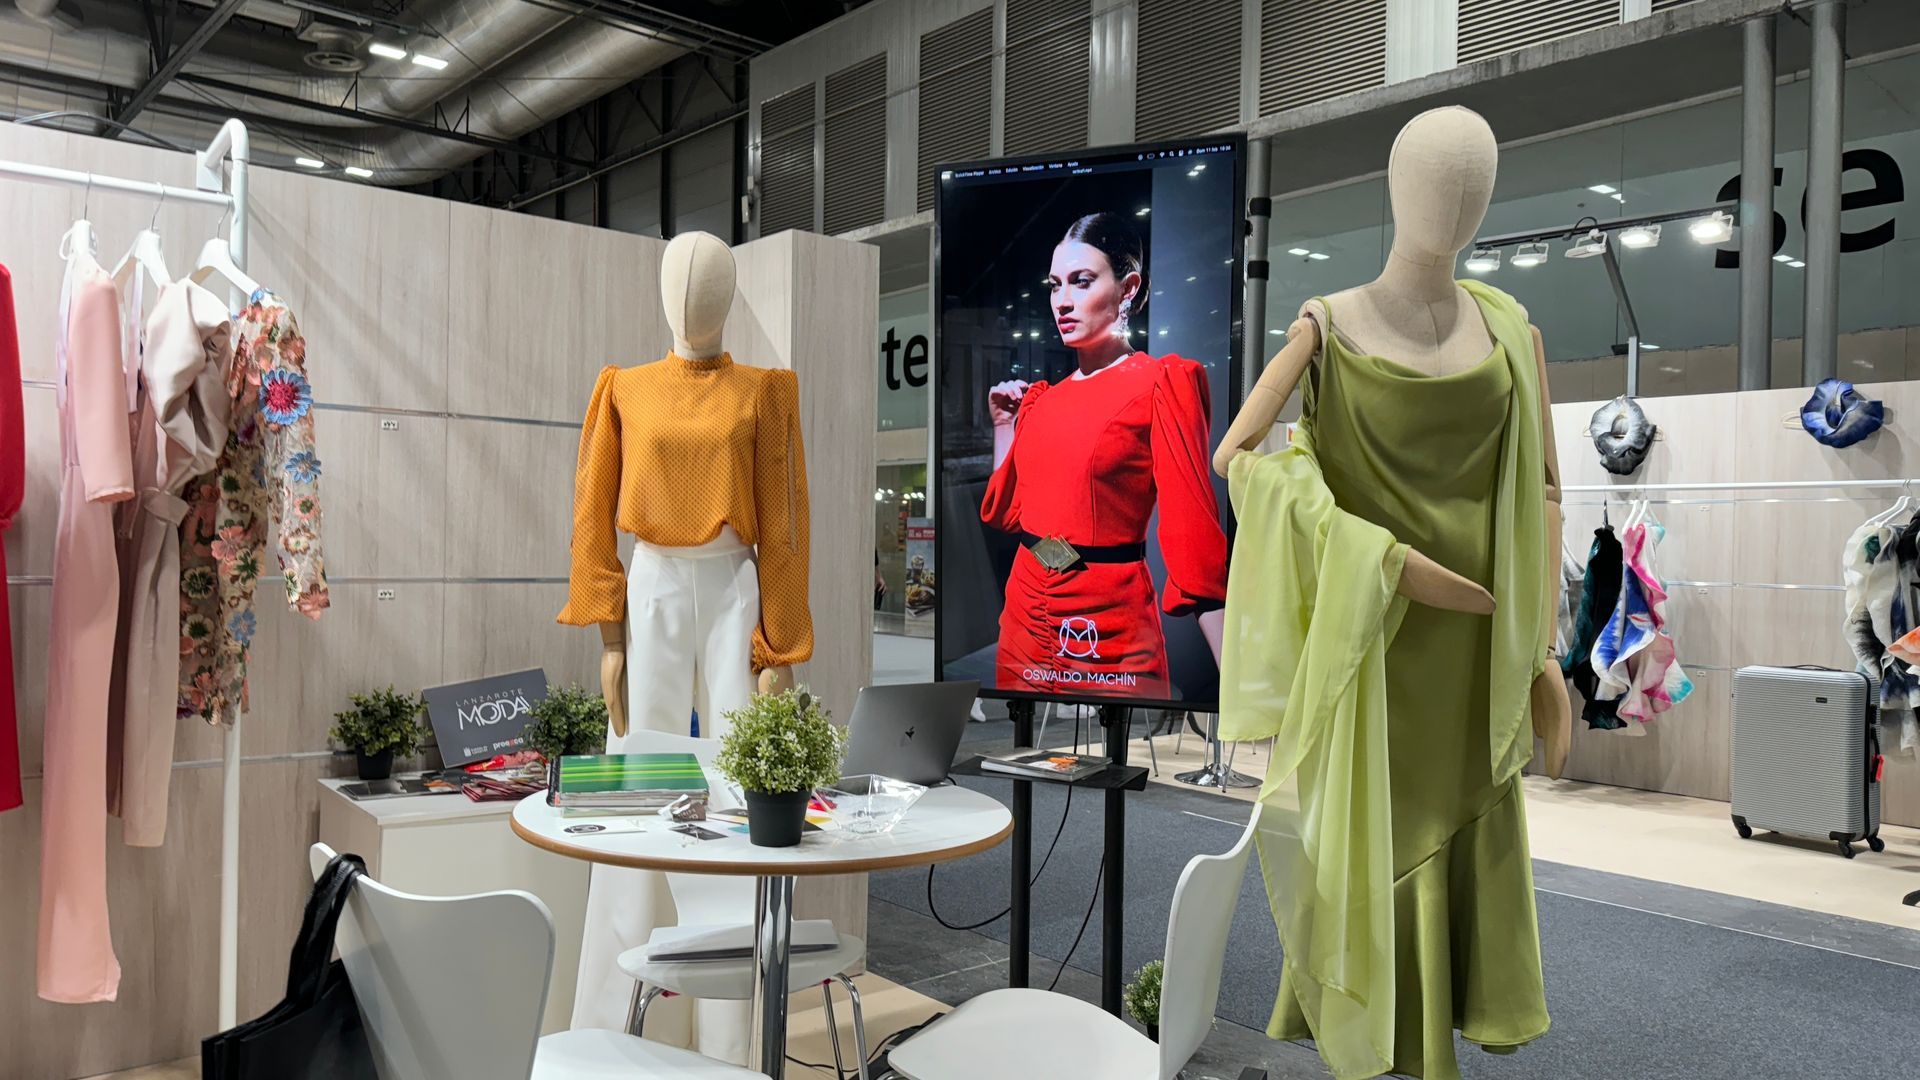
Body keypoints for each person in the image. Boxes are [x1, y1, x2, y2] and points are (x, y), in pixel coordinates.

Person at [979, 212, 1228, 699]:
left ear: (1128, 287)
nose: (1063, 301)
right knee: (1024, 763)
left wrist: (1243, 691)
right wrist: (1005, 426)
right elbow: (1010, 513)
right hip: (1025, 615)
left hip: (1108, 624)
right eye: (1055, 286)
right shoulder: (1041, 400)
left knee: (1117, 765)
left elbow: (1192, 535)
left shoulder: (1161, 385)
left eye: (1082, 281)